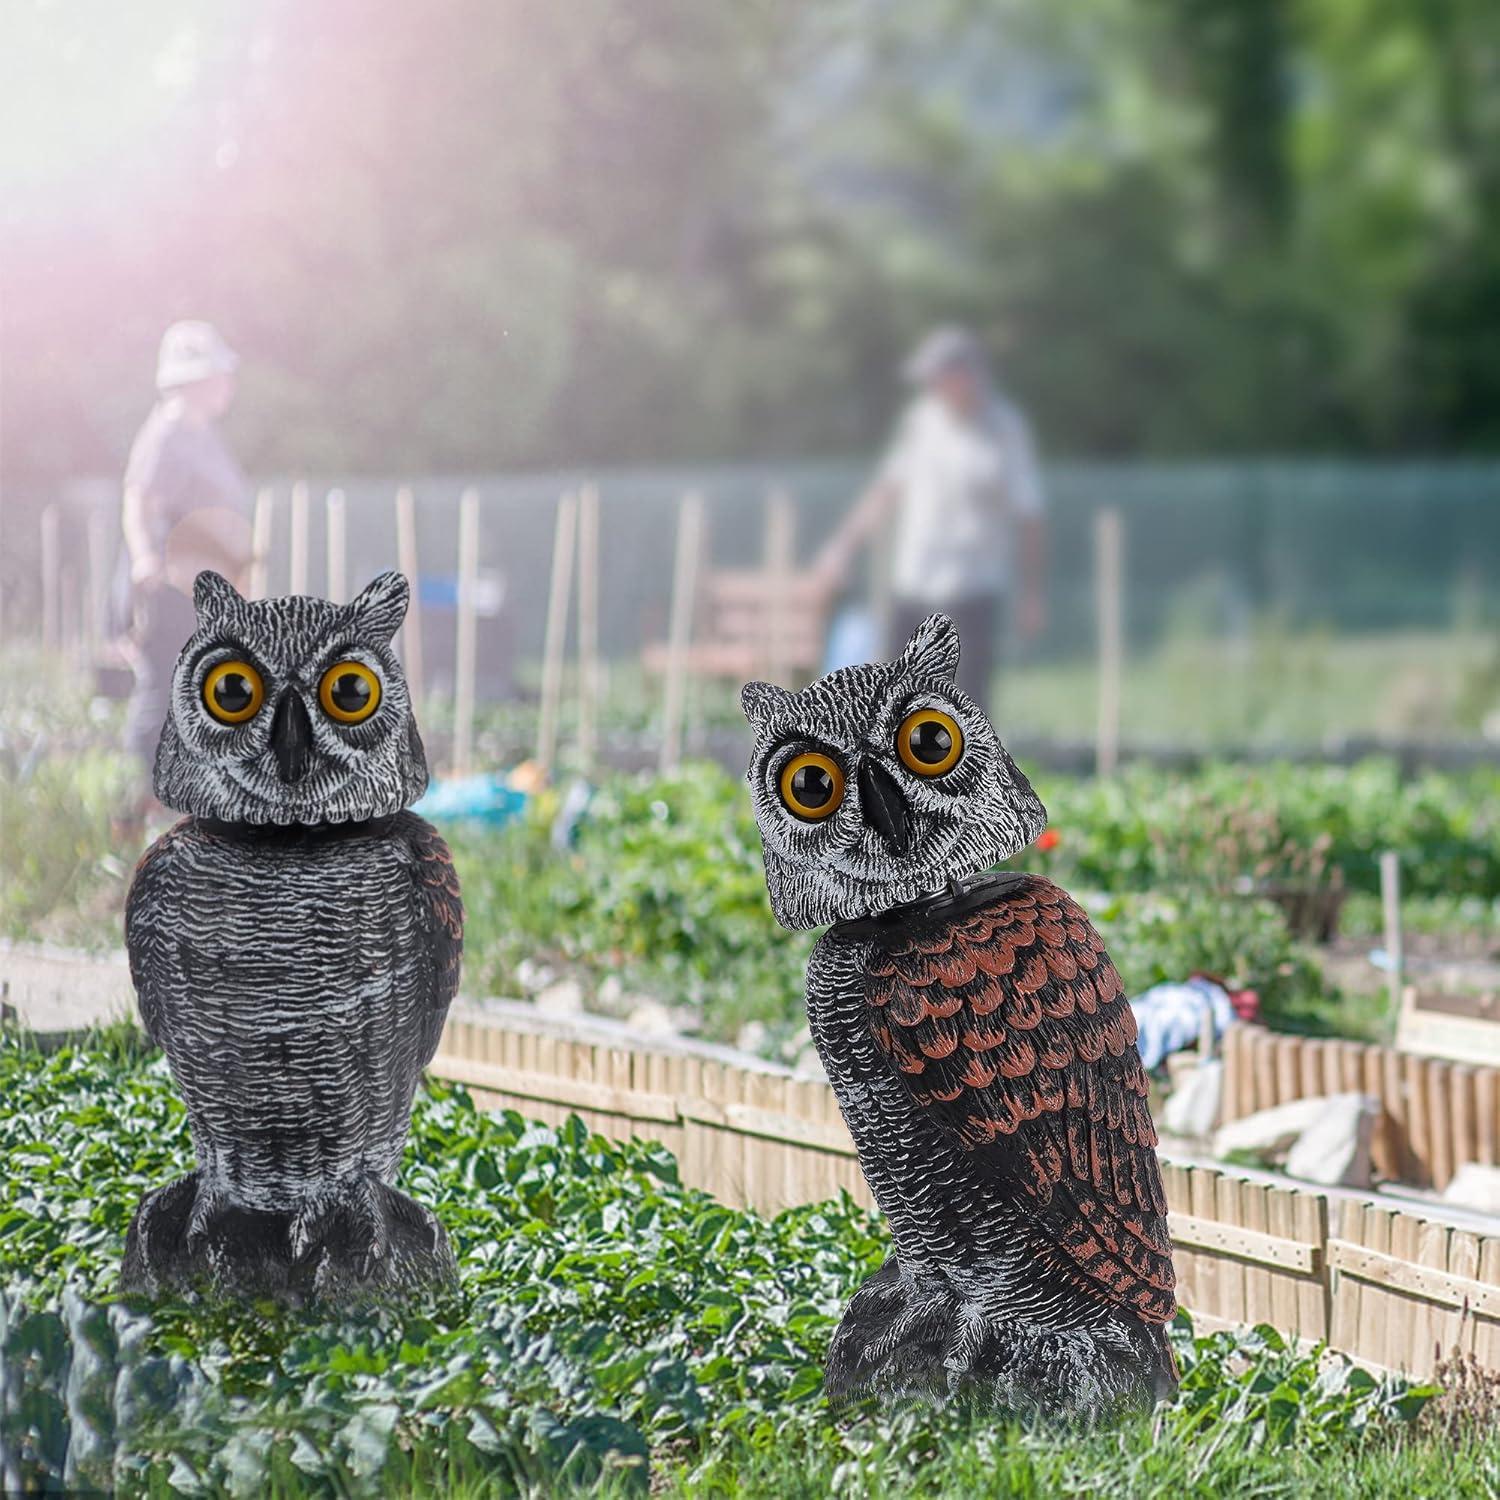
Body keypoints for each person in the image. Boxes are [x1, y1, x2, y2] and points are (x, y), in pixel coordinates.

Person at [812, 325, 1047, 705]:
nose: (932, 387)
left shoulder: (1005, 427)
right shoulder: (922, 421)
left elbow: (1030, 514)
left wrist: (1032, 593)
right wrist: (841, 546)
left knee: (964, 706)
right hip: (914, 583)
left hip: (972, 588)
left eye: (938, 378)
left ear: (965, 375)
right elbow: (886, 490)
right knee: (898, 702)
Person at [118, 321, 252, 814]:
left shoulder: (202, 434)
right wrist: (143, 556)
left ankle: (179, 802)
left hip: (199, 587)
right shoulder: (169, 430)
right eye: (219, 374)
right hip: (168, 586)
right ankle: (140, 804)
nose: (227, 385)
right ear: (195, 379)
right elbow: (138, 499)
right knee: (162, 692)